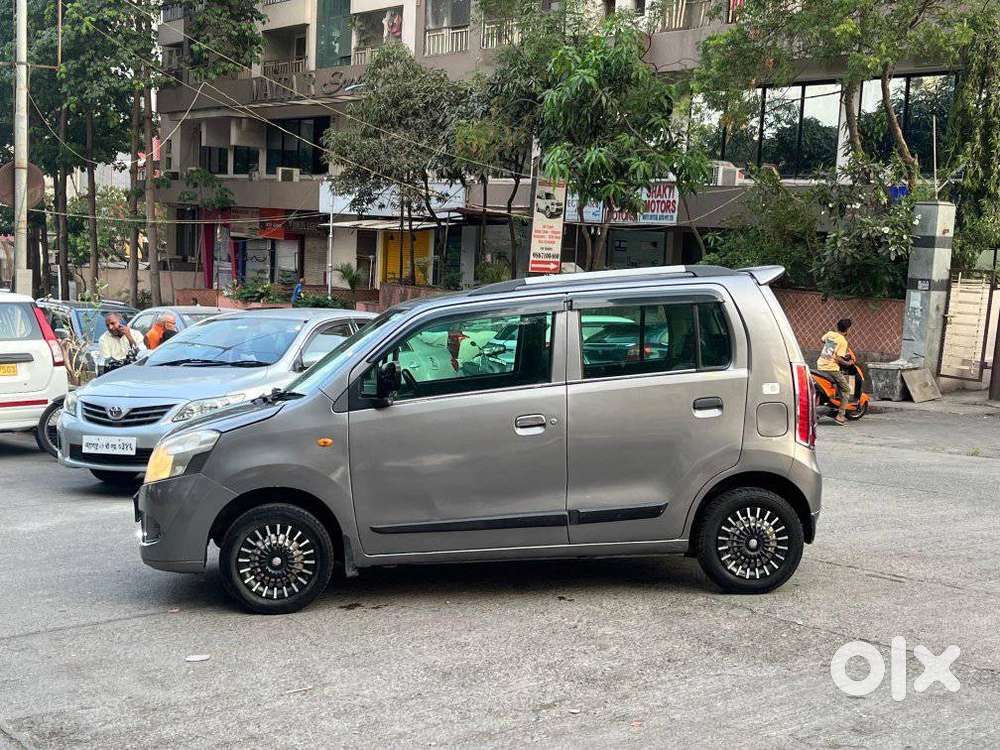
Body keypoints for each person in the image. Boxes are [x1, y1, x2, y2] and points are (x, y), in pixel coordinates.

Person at [817, 318, 855, 425]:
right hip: (831, 368)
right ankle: (840, 415)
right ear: (847, 329)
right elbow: (838, 358)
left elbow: (822, 340)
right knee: (846, 389)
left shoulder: (830, 334)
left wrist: (831, 344)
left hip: (820, 365)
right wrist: (848, 363)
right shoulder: (843, 341)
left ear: (837, 327)